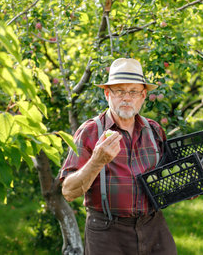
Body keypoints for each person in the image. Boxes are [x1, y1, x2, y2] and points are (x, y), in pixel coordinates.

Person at [60, 58, 177, 255]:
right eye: (119, 91)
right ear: (107, 94)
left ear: (143, 96)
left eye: (133, 92)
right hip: (107, 231)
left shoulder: (154, 130)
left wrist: (187, 187)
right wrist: (97, 161)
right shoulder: (90, 132)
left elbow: (167, 176)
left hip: (153, 225)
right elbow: (69, 191)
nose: (126, 98)